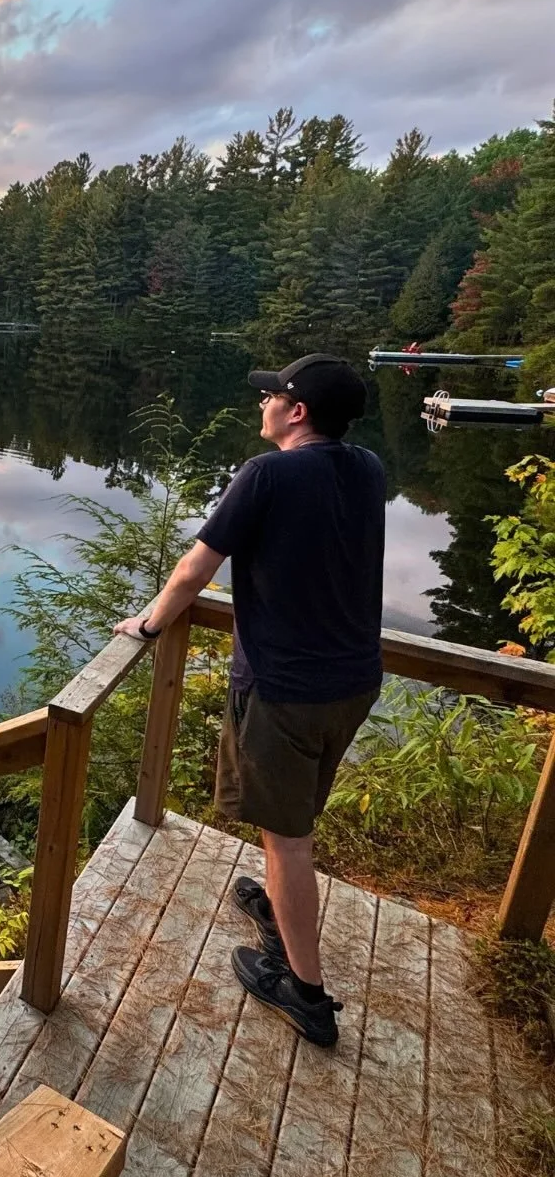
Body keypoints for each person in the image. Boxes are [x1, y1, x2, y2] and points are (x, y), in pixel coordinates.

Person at [113, 353, 384, 1047]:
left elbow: (193, 569)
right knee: (292, 818)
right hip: (353, 682)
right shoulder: (368, 470)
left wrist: (147, 624)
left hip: (286, 688)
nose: (261, 404)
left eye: (273, 397)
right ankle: (279, 908)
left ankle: (307, 994)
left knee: (288, 838)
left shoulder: (267, 473)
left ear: (296, 412)